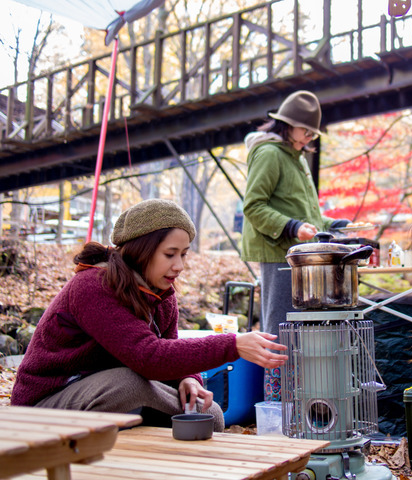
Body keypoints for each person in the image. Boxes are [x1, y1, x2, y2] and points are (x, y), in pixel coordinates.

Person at [11, 198, 288, 431]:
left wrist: (188, 379)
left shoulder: (162, 294)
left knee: (210, 414)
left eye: (184, 254)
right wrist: (234, 344)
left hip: (108, 392)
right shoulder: (93, 286)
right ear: (141, 251)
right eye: (170, 254)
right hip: (45, 404)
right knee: (129, 386)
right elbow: (148, 357)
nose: (179, 265)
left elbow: (171, 347)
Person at [241, 90, 349, 401]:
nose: (308, 138)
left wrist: (336, 226)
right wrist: (291, 227)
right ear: (287, 124)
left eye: (312, 133)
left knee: (302, 333)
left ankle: (303, 405)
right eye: (305, 131)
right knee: (279, 332)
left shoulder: (297, 158)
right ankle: (278, 406)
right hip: (279, 255)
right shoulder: (269, 154)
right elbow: (254, 206)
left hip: (302, 258)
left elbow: (308, 215)